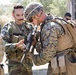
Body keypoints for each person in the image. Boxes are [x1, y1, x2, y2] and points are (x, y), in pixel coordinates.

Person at [23, 2, 76, 75]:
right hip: (66, 64)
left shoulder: (49, 27)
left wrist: (33, 58)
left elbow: (47, 55)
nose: (31, 23)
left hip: (63, 68)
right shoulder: (54, 20)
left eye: (31, 20)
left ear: (38, 15)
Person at [1, 4, 33, 75]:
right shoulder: (8, 28)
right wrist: (15, 45)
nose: (21, 17)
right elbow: (3, 47)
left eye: (22, 14)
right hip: (14, 65)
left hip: (27, 64)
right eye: (18, 15)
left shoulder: (30, 27)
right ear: (13, 14)